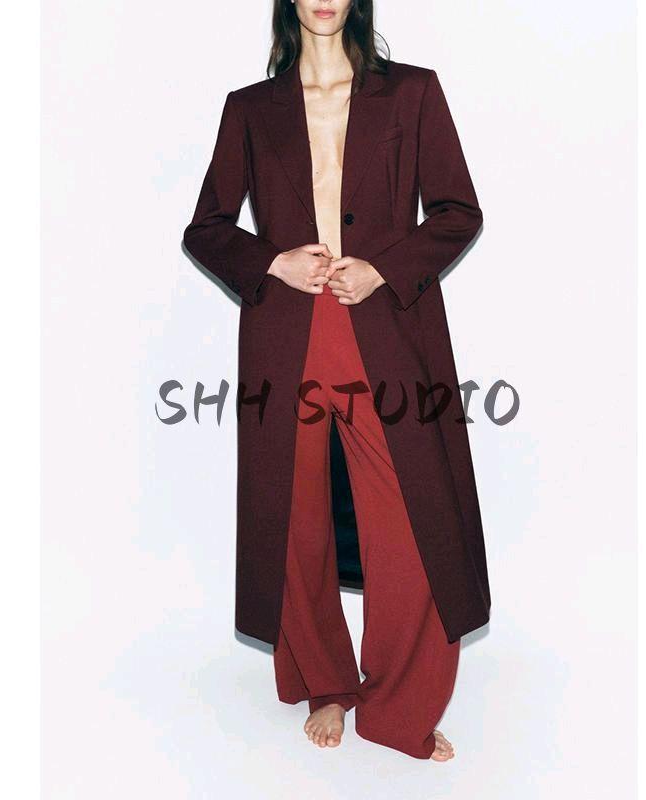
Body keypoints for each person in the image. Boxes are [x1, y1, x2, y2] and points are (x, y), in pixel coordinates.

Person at [182, 0, 491, 761]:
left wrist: (385, 268)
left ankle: (400, 703)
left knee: (412, 519)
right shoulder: (250, 108)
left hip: (385, 333)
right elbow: (207, 228)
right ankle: (325, 681)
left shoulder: (413, 91)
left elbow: (458, 211)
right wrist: (273, 262)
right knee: (293, 519)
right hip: (288, 338)